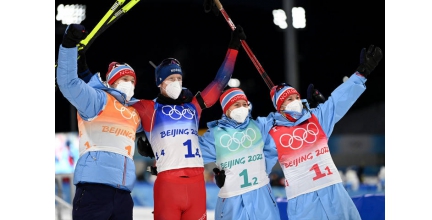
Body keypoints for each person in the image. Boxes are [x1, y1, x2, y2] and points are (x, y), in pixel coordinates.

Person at [132, 25, 247, 220]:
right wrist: (141, 137)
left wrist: (233, 47)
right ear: (160, 82)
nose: (177, 82)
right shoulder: (148, 108)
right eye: (171, 78)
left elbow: (220, 82)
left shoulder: (193, 107)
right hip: (168, 185)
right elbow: (116, 108)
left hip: (196, 184)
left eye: (179, 77)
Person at [266, 45, 383, 220]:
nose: (296, 101)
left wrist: (361, 73)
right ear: (280, 107)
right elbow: (255, 162)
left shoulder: (316, 119)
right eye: (289, 99)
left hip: (334, 195)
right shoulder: (273, 133)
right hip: (303, 204)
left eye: (297, 97)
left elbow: (337, 101)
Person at [56, 24, 143, 220]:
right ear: (111, 82)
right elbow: (68, 83)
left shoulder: (134, 112)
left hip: (123, 196)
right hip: (94, 191)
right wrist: (69, 44)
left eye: (132, 80)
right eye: (124, 78)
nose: (129, 83)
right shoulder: (97, 100)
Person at [198, 88, 281, 220]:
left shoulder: (259, 126)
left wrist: (262, 169)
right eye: (236, 105)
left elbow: (284, 120)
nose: (241, 108)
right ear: (227, 109)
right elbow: (192, 152)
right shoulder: (215, 135)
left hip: (262, 196)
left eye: (244, 104)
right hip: (232, 201)